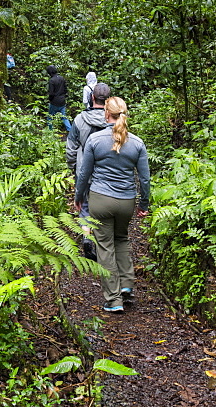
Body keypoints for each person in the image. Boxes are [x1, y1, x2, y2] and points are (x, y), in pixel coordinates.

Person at [74, 96, 150, 313]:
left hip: (100, 200)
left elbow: (84, 174)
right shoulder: (137, 143)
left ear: (106, 114)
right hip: (126, 201)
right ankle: (127, 285)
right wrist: (144, 203)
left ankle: (113, 300)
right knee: (122, 238)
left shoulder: (95, 140)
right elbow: (144, 179)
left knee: (105, 246)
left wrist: (79, 197)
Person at [66, 81, 111, 259]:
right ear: (108, 100)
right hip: (106, 171)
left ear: (92, 97)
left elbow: (71, 147)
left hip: (84, 169)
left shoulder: (79, 119)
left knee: (84, 206)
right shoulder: (114, 121)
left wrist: (73, 167)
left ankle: (87, 237)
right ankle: (103, 242)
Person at [46, 64, 71, 132]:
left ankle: (50, 130)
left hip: (54, 102)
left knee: (50, 117)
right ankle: (70, 130)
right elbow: (65, 89)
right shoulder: (61, 78)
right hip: (62, 101)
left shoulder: (52, 80)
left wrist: (50, 100)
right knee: (64, 117)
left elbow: (51, 93)